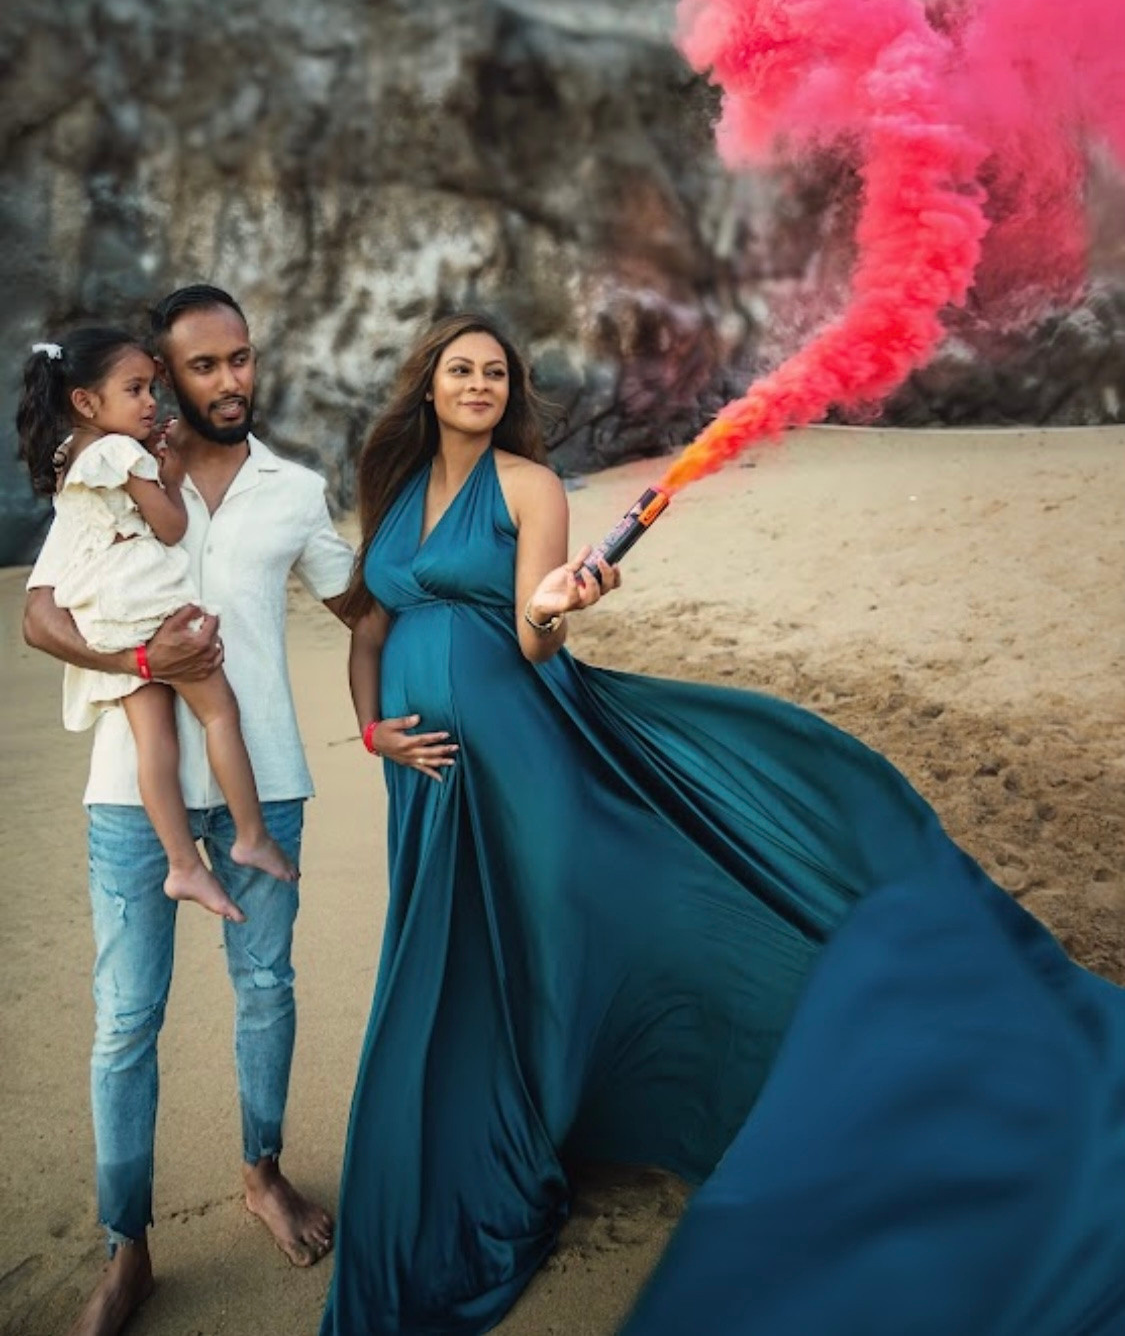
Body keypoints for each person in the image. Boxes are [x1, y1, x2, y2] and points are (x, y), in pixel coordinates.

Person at [321, 312, 1125, 1336]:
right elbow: (371, 630)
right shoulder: (389, 493)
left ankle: (815, 1081)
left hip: (521, 755)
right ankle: (523, 1118)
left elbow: (530, 639)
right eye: (459, 369)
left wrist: (563, 602)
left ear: (510, 390)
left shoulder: (528, 487)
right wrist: (370, 736)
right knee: (463, 948)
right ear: (427, 387)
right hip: (423, 777)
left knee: (568, 921)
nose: (478, 382)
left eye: (494, 371)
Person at [23, 286, 355, 1336]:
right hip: (132, 798)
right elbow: (39, 617)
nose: (230, 382)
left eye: (242, 360)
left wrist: (525, 594)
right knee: (127, 1021)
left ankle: (262, 1174)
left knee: (268, 989)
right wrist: (131, 656)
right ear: (157, 382)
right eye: (202, 367)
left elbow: (369, 605)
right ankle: (129, 1248)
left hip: (269, 786)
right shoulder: (105, 483)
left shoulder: (295, 490)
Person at [17, 327, 297, 923]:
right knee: (219, 711)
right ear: (87, 402)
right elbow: (170, 527)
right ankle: (250, 834)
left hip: (107, 615)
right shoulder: (121, 453)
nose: (151, 403)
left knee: (155, 740)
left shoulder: (71, 453)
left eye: (151, 387)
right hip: (147, 601)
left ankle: (182, 863)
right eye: (136, 389)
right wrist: (166, 475)